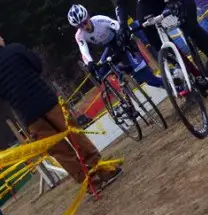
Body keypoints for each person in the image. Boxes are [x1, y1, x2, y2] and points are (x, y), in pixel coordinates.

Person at [0, 35, 121, 189]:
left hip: (28, 116)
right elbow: (37, 66)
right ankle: (101, 169)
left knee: (60, 152)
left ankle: (90, 183)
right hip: (46, 100)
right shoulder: (16, 48)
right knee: (74, 133)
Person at [67, 4, 164, 89]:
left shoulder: (99, 20)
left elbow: (118, 27)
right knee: (99, 74)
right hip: (109, 47)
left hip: (120, 40)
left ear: (88, 17)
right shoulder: (79, 35)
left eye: (84, 23)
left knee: (148, 79)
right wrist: (90, 63)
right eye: (80, 26)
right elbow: (84, 51)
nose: (84, 27)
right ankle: (123, 69)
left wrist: (125, 40)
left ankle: (172, 86)